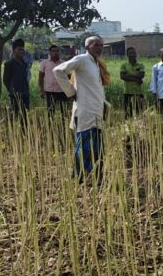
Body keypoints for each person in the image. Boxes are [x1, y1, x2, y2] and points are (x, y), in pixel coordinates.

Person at [53, 36, 110, 184]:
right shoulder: (82, 60)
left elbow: (96, 90)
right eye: (95, 44)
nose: (99, 47)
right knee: (85, 146)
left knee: (97, 148)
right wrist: (71, 92)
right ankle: (79, 177)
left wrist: (105, 106)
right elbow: (58, 71)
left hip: (97, 111)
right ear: (87, 47)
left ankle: (95, 177)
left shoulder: (97, 64)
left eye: (101, 45)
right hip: (85, 111)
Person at [3, 38, 31, 122]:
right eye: (19, 50)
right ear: (14, 50)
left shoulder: (24, 64)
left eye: (23, 50)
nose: (21, 52)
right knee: (16, 116)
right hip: (15, 95)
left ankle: (25, 134)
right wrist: (12, 90)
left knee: (25, 117)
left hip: (25, 94)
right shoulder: (9, 64)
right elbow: (6, 80)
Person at [39, 44, 70, 116]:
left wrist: (69, 91)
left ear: (60, 52)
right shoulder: (44, 63)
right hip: (50, 92)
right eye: (53, 51)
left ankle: (63, 126)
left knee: (64, 112)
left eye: (57, 51)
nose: (55, 52)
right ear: (49, 52)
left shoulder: (64, 63)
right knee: (50, 112)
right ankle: (50, 126)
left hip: (62, 91)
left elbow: (69, 77)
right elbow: (40, 77)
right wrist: (41, 90)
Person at [119, 47, 145, 118]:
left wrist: (128, 75)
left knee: (140, 113)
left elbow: (141, 75)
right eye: (130, 53)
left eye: (133, 53)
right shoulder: (124, 65)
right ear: (127, 54)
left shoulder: (140, 65)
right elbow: (122, 76)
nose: (132, 55)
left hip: (139, 93)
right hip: (127, 92)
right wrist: (136, 79)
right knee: (128, 114)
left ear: (136, 54)